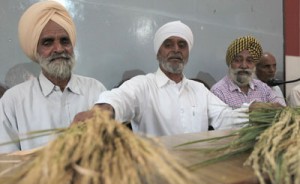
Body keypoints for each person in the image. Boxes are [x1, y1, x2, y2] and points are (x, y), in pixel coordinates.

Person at [73, 21, 255, 137]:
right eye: (168, 45)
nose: (176, 49)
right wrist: (101, 112)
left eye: (182, 45)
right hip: (155, 177)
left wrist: (255, 111)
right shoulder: (143, 84)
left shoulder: (199, 90)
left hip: (197, 175)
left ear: (187, 53)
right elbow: (119, 99)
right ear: (158, 52)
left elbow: (225, 117)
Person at [0, 1, 106, 153]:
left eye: (64, 41)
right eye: (48, 42)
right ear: (35, 50)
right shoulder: (13, 102)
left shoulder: (95, 90)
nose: (59, 49)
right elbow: (7, 165)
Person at [211, 36, 286, 109]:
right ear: (230, 63)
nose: (244, 66)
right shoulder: (218, 91)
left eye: (249, 61)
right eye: (238, 60)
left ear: (254, 65)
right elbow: (220, 120)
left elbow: (283, 111)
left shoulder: (263, 88)